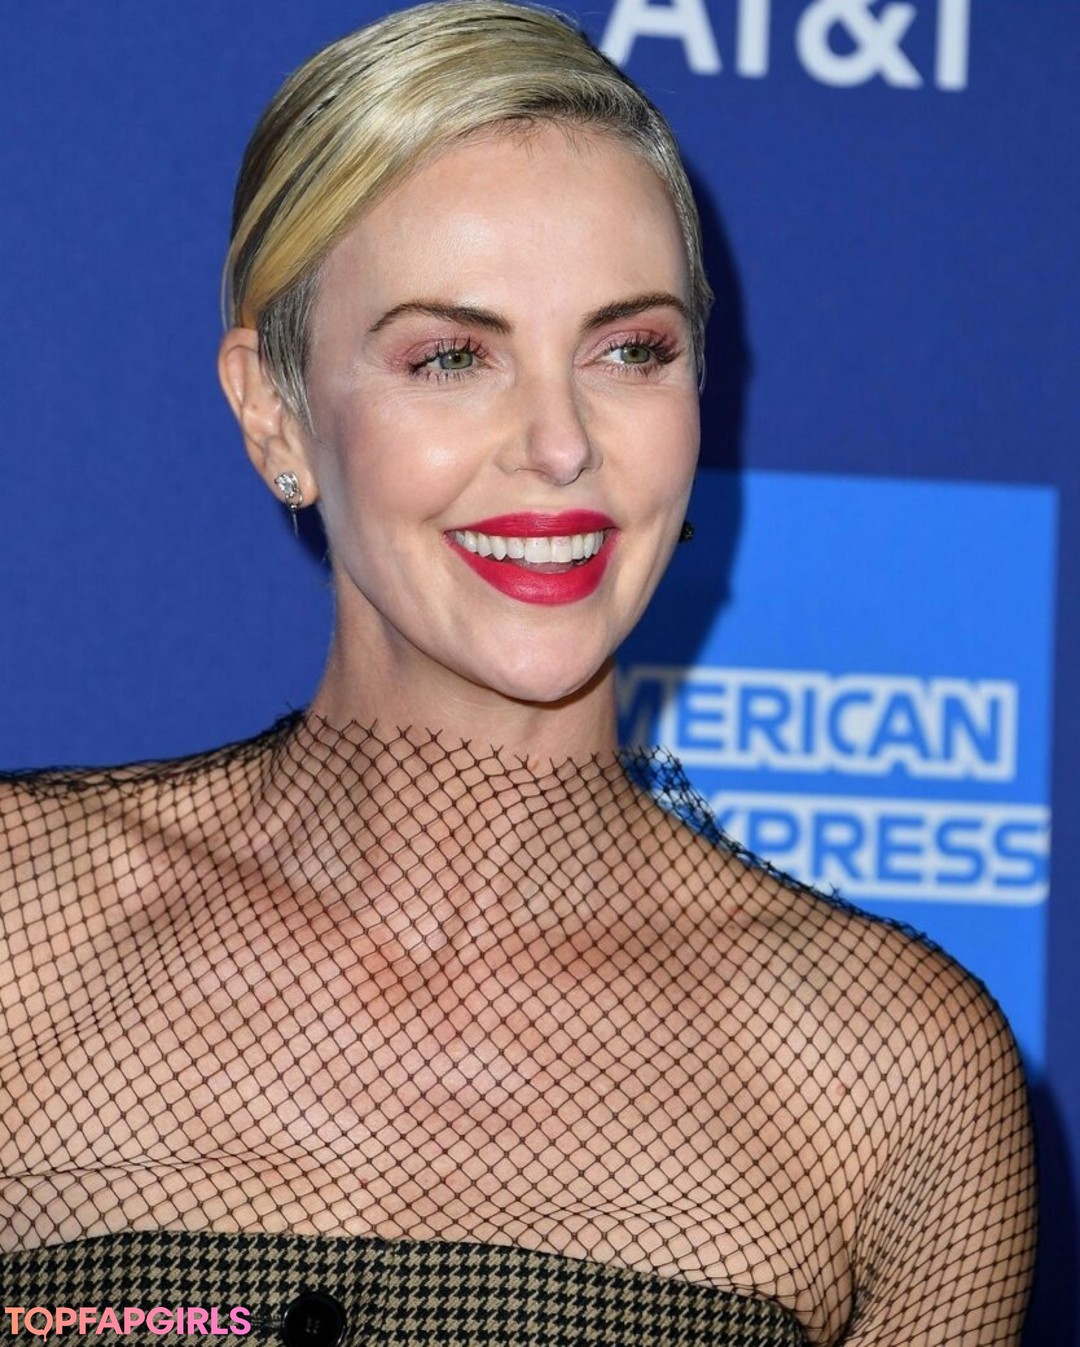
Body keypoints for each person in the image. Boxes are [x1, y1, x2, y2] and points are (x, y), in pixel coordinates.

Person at [0, 2, 1035, 1343]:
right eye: (451, 357)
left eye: (630, 351)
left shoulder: (893, 1069)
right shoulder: (22, 930)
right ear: (275, 412)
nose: (560, 444)